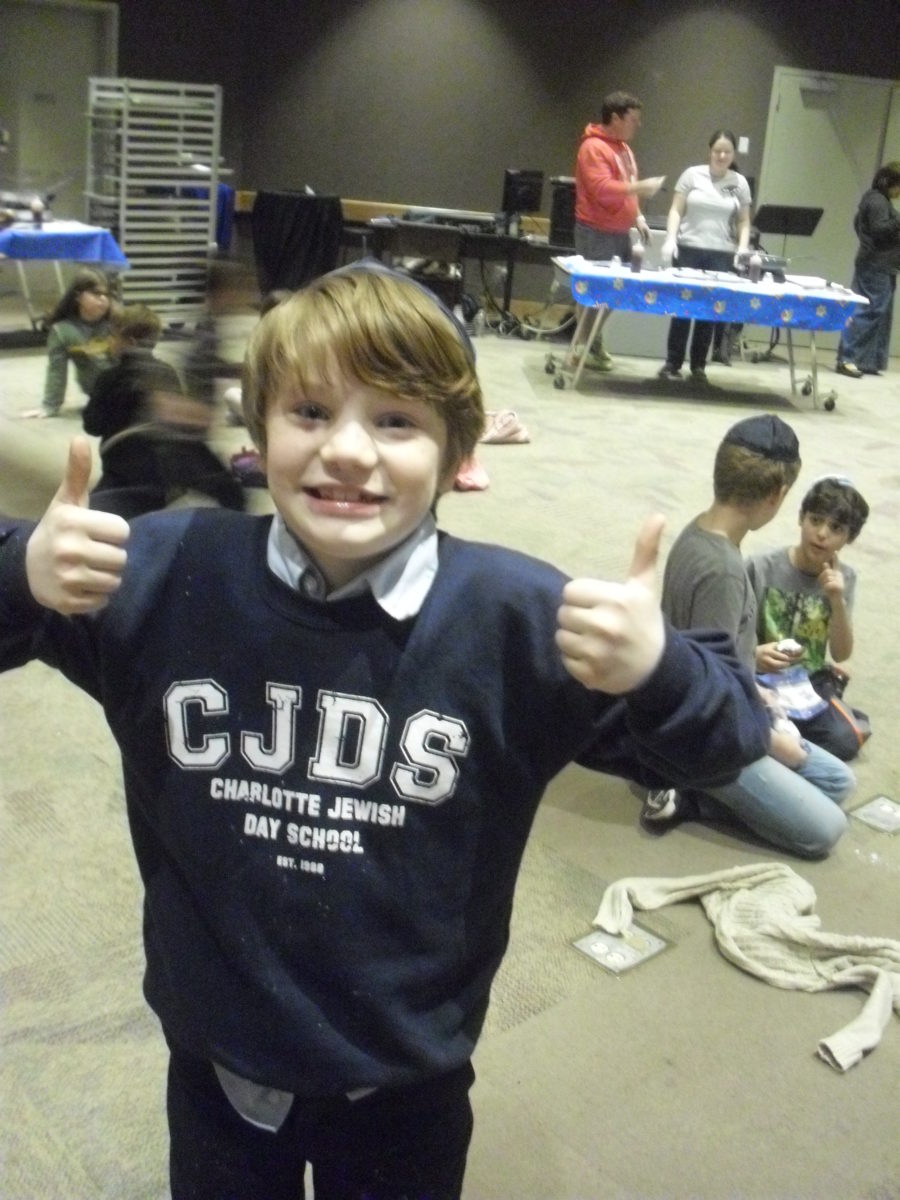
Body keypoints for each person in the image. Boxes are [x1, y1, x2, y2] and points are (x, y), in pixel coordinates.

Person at [0, 264, 769, 1200]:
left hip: (405, 1081)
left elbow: (729, 742)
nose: (347, 452)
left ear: (458, 453)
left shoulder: (516, 619)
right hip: (216, 1061)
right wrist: (24, 572)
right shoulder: (163, 574)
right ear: (258, 430)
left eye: (396, 421)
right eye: (310, 412)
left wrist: (658, 667)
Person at [645, 414, 855, 857]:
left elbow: (709, 656)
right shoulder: (724, 572)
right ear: (777, 495)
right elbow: (709, 692)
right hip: (706, 738)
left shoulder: (700, 532)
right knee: (826, 829)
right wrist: (770, 741)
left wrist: (757, 690)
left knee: (839, 779)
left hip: (723, 707)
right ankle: (690, 793)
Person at [747, 475, 871, 760]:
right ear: (801, 518)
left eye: (836, 528)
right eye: (815, 520)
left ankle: (788, 741)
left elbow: (841, 653)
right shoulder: (760, 567)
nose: (822, 534)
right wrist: (754, 654)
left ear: (849, 537)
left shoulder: (845, 578)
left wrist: (837, 601)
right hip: (760, 678)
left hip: (809, 682)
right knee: (738, 723)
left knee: (846, 739)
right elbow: (733, 635)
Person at [83, 303, 245, 519]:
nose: (109, 341)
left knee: (90, 513)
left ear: (130, 341)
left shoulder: (107, 378)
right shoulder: (167, 372)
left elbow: (92, 425)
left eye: (113, 336)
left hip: (121, 468)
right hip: (161, 472)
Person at [571, 90, 665, 370]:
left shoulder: (624, 149)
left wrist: (638, 217)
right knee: (595, 293)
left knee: (614, 294)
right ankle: (582, 347)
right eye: (633, 119)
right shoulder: (593, 148)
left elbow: (627, 191)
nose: (638, 125)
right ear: (615, 118)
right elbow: (602, 189)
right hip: (596, 232)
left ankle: (590, 342)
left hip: (619, 232)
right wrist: (641, 187)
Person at [658, 130, 752, 383]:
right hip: (688, 249)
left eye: (727, 152)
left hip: (721, 254)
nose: (721, 156)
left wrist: (742, 247)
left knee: (709, 312)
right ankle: (672, 362)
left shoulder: (740, 183)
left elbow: (744, 221)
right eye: (717, 151)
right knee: (682, 309)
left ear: (733, 154)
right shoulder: (691, 175)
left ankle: (699, 365)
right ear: (710, 151)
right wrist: (670, 238)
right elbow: (676, 210)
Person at [22, 268, 115, 418]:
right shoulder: (62, 331)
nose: (103, 299)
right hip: (97, 391)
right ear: (78, 296)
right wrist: (50, 406)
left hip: (130, 389)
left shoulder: (118, 322)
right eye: (96, 294)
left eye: (106, 294)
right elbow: (56, 370)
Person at [835, 161, 900, 378]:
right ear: (890, 182)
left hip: (880, 265)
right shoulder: (877, 201)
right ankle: (847, 358)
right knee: (868, 311)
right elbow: (879, 230)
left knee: (878, 314)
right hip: (876, 266)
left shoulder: (876, 200)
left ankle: (866, 360)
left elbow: (859, 224)